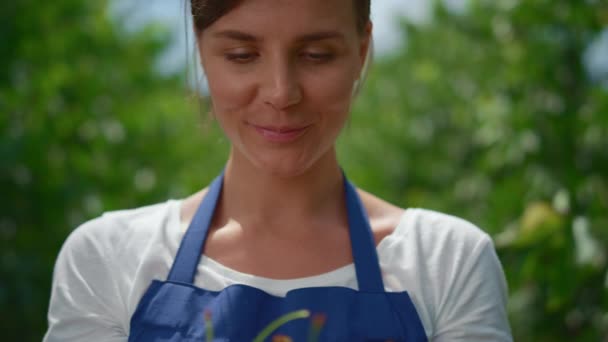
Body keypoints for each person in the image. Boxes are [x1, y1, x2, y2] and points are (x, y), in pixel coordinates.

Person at [44, 0, 512, 340]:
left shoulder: (447, 261)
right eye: (243, 56)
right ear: (202, 50)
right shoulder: (106, 259)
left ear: (362, 49)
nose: (281, 92)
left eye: (316, 55)